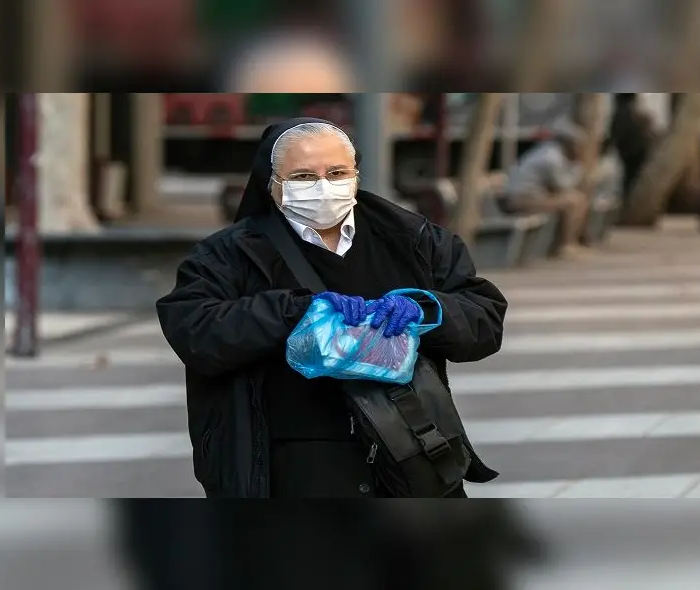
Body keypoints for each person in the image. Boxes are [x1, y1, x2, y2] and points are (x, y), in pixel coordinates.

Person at [156, 118, 506, 498]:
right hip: (289, 464)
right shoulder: (227, 254)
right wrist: (294, 311)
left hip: (406, 449)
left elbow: (484, 318)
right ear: (272, 183)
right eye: (304, 176)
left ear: (356, 175)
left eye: (337, 172)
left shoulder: (415, 239)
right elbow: (195, 329)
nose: (323, 187)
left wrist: (426, 309)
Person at [501, 122, 591, 258]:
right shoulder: (551, 158)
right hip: (520, 199)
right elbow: (563, 186)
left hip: (529, 196)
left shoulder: (551, 152)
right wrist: (578, 166)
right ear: (570, 144)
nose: (581, 150)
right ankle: (567, 246)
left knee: (575, 199)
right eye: (579, 146)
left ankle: (572, 242)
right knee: (574, 201)